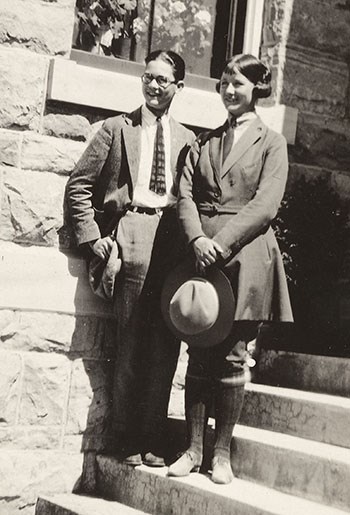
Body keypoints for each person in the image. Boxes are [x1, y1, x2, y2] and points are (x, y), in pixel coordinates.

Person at [65, 50, 195, 467]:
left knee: (166, 344)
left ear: (178, 87)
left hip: (171, 238)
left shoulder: (189, 139)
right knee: (132, 340)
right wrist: (94, 240)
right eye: (148, 77)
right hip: (133, 232)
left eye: (163, 80)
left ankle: (154, 437)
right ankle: (125, 438)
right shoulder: (116, 129)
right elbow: (78, 187)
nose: (154, 86)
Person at [167, 54, 293, 484]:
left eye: (238, 83)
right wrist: (197, 240)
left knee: (233, 357)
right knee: (197, 349)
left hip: (244, 259)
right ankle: (193, 449)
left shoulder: (271, 143)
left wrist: (220, 243)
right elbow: (184, 196)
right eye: (223, 83)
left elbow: (266, 204)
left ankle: (221, 455)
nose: (229, 91)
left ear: (256, 88)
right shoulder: (203, 142)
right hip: (200, 257)